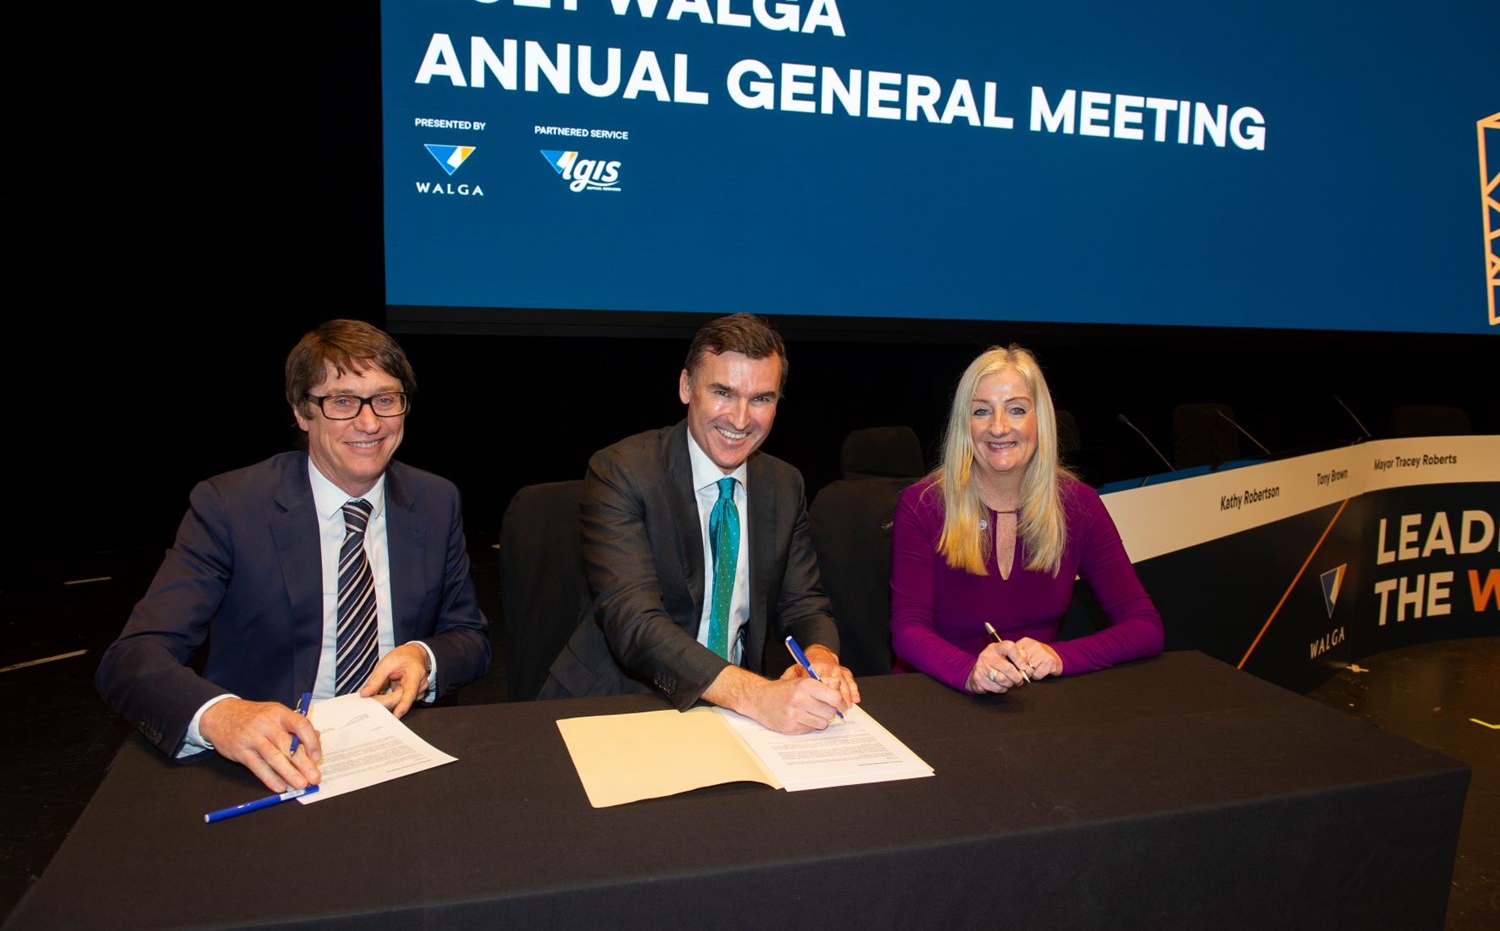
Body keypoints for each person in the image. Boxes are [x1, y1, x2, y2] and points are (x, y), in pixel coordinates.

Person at [96, 320, 490, 791]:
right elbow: (132, 658)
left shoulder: (434, 499)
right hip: (269, 764)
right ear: (303, 413)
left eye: (385, 399)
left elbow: (470, 637)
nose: (369, 423)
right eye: (342, 402)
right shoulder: (231, 506)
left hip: (398, 753)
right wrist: (223, 715)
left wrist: (423, 657)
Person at [541, 313, 858, 733]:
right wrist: (755, 694)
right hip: (618, 700)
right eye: (723, 393)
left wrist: (821, 658)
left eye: (761, 399)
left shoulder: (784, 484)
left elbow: (804, 603)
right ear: (686, 386)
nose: (741, 419)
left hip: (731, 712)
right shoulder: (622, 471)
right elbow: (635, 622)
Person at [890, 345, 1162, 694]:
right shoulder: (923, 505)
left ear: (1040, 420)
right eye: (982, 411)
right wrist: (970, 671)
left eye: (1016, 410)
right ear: (964, 425)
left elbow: (1145, 626)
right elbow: (908, 631)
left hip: (1032, 704)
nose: (999, 428)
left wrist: (1059, 656)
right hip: (934, 696)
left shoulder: (1079, 505)